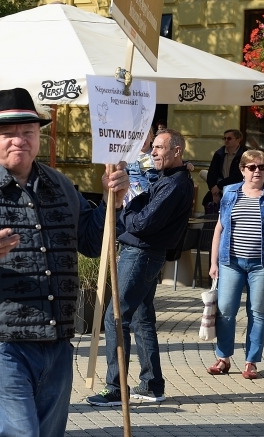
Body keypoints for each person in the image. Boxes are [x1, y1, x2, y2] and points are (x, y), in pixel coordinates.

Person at [0, 88, 129, 437]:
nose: (19, 138)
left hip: (57, 341)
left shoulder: (60, 185)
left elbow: (93, 243)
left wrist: (113, 202)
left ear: (38, 135)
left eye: (27, 130)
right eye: (8, 132)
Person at [87, 128, 194, 407]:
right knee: (141, 319)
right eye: (153, 147)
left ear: (177, 151)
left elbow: (142, 223)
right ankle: (151, 384)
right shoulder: (168, 177)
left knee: (115, 318)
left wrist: (124, 207)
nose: (154, 153)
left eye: (159, 148)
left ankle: (114, 387)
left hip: (141, 254)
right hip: (143, 252)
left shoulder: (174, 184)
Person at [207, 150, 264, 379]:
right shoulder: (230, 192)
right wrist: (213, 262)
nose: (257, 171)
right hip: (231, 262)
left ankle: (251, 362)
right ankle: (223, 358)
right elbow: (219, 228)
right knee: (226, 310)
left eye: (261, 167)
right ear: (242, 170)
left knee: (257, 312)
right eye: (252, 167)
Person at [203, 129, 246, 207]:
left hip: (237, 191)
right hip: (220, 191)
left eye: (229, 138)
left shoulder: (244, 155)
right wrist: (214, 192)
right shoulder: (219, 154)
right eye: (224, 138)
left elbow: (237, 176)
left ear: (238, 140)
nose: (226, 140)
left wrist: (219, 186)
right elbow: (212, 173)